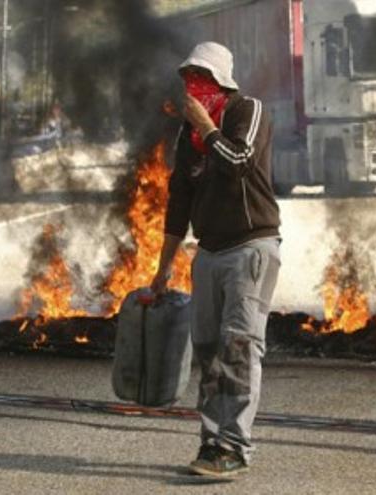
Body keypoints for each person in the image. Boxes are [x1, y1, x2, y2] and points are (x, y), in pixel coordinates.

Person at [151, 41, 281, 478]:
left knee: (240, 347)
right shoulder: (188, 138)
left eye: (203, 79)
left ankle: (235, 446)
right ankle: (212, 443)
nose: (194, 86)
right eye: (189, 78)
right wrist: (163, 267)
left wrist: (206, 127)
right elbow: (179, 202)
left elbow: (239, 161)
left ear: (222, 82)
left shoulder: (248, 110)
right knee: (208, 351)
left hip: (250, 249)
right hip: (208, 253)